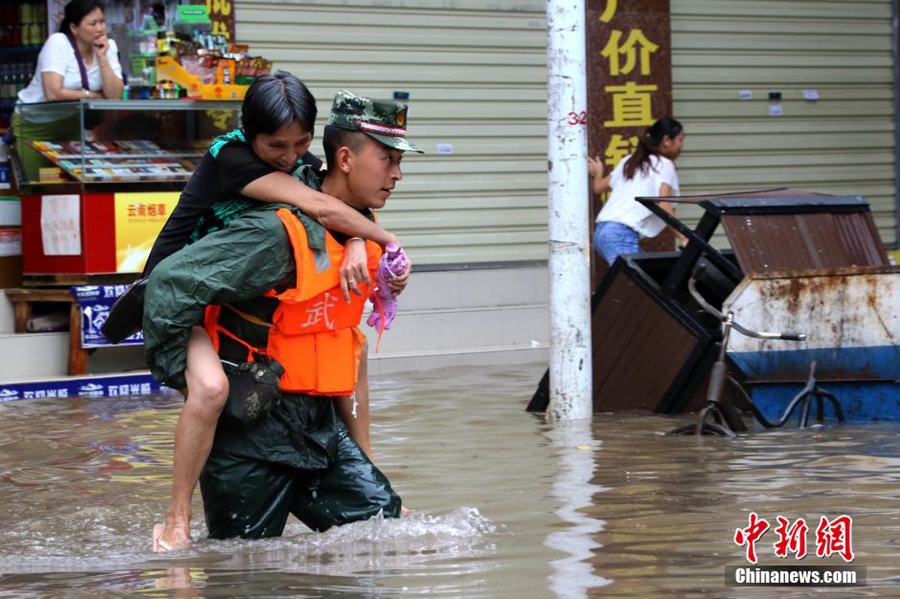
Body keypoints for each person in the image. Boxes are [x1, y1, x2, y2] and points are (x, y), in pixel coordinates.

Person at [143, 88, 421, 546]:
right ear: (347, 159)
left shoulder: (311, 179)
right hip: (248, 426)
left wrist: (360, 240)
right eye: (387, 159)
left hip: (316, 427)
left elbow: (334, 210)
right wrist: (176, 363)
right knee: (210, 392)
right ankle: (176, 518)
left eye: (299, 144)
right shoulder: (243, 181)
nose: (289, 158)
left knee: (387, 537)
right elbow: (170, 284)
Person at [13, 0, 124, 182]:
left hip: (71, 124)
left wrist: (102, 58)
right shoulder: (58, 43)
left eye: (102, 22)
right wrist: (93, 96)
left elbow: (115, 95)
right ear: (74, 27)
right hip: (35, 125)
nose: (100, 28)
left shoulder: (108, 46)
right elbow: (53, 92)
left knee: (73, 184)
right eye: (93, 23)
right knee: (38, 185)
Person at [588, 117, 687, 266]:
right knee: (634, 285)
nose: (681, 145)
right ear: (667, 140)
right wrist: (684, 237)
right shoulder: (665, 164)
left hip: (602, 234)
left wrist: (598, 172)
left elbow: (599, 187)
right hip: (621, 234)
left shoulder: (630, 161)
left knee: (649, 279)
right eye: (680, 140)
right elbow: (663, 205)